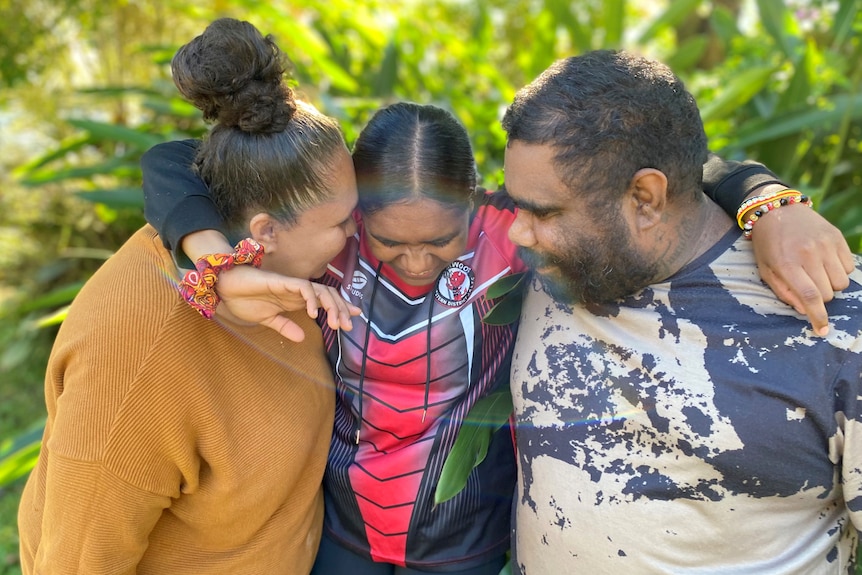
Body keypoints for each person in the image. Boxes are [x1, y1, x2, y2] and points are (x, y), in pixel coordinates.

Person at [141, 95, 850, 575]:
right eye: (390, 242)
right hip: (341, 533)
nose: (415, 261)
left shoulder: (511, 235)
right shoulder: (333, 236)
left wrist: (770, 203)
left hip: (466, 541)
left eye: (440, 241)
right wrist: (214, 259)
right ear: (356, 210)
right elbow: (172, 160)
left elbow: (681, 175)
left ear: (479, 200)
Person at [17, 18, 359, 574]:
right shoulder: (136, 363)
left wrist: (214, 265)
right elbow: (79, 561)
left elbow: (173, 156)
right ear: (266, 230)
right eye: (343, 220)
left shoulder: (273, 257)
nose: (356, 232)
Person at [501, 49, 861, 574]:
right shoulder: (554, 265)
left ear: (646, 198)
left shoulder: (833, 319)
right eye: (519, 205)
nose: (517, 232)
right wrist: (759, 192)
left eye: (545, 212)